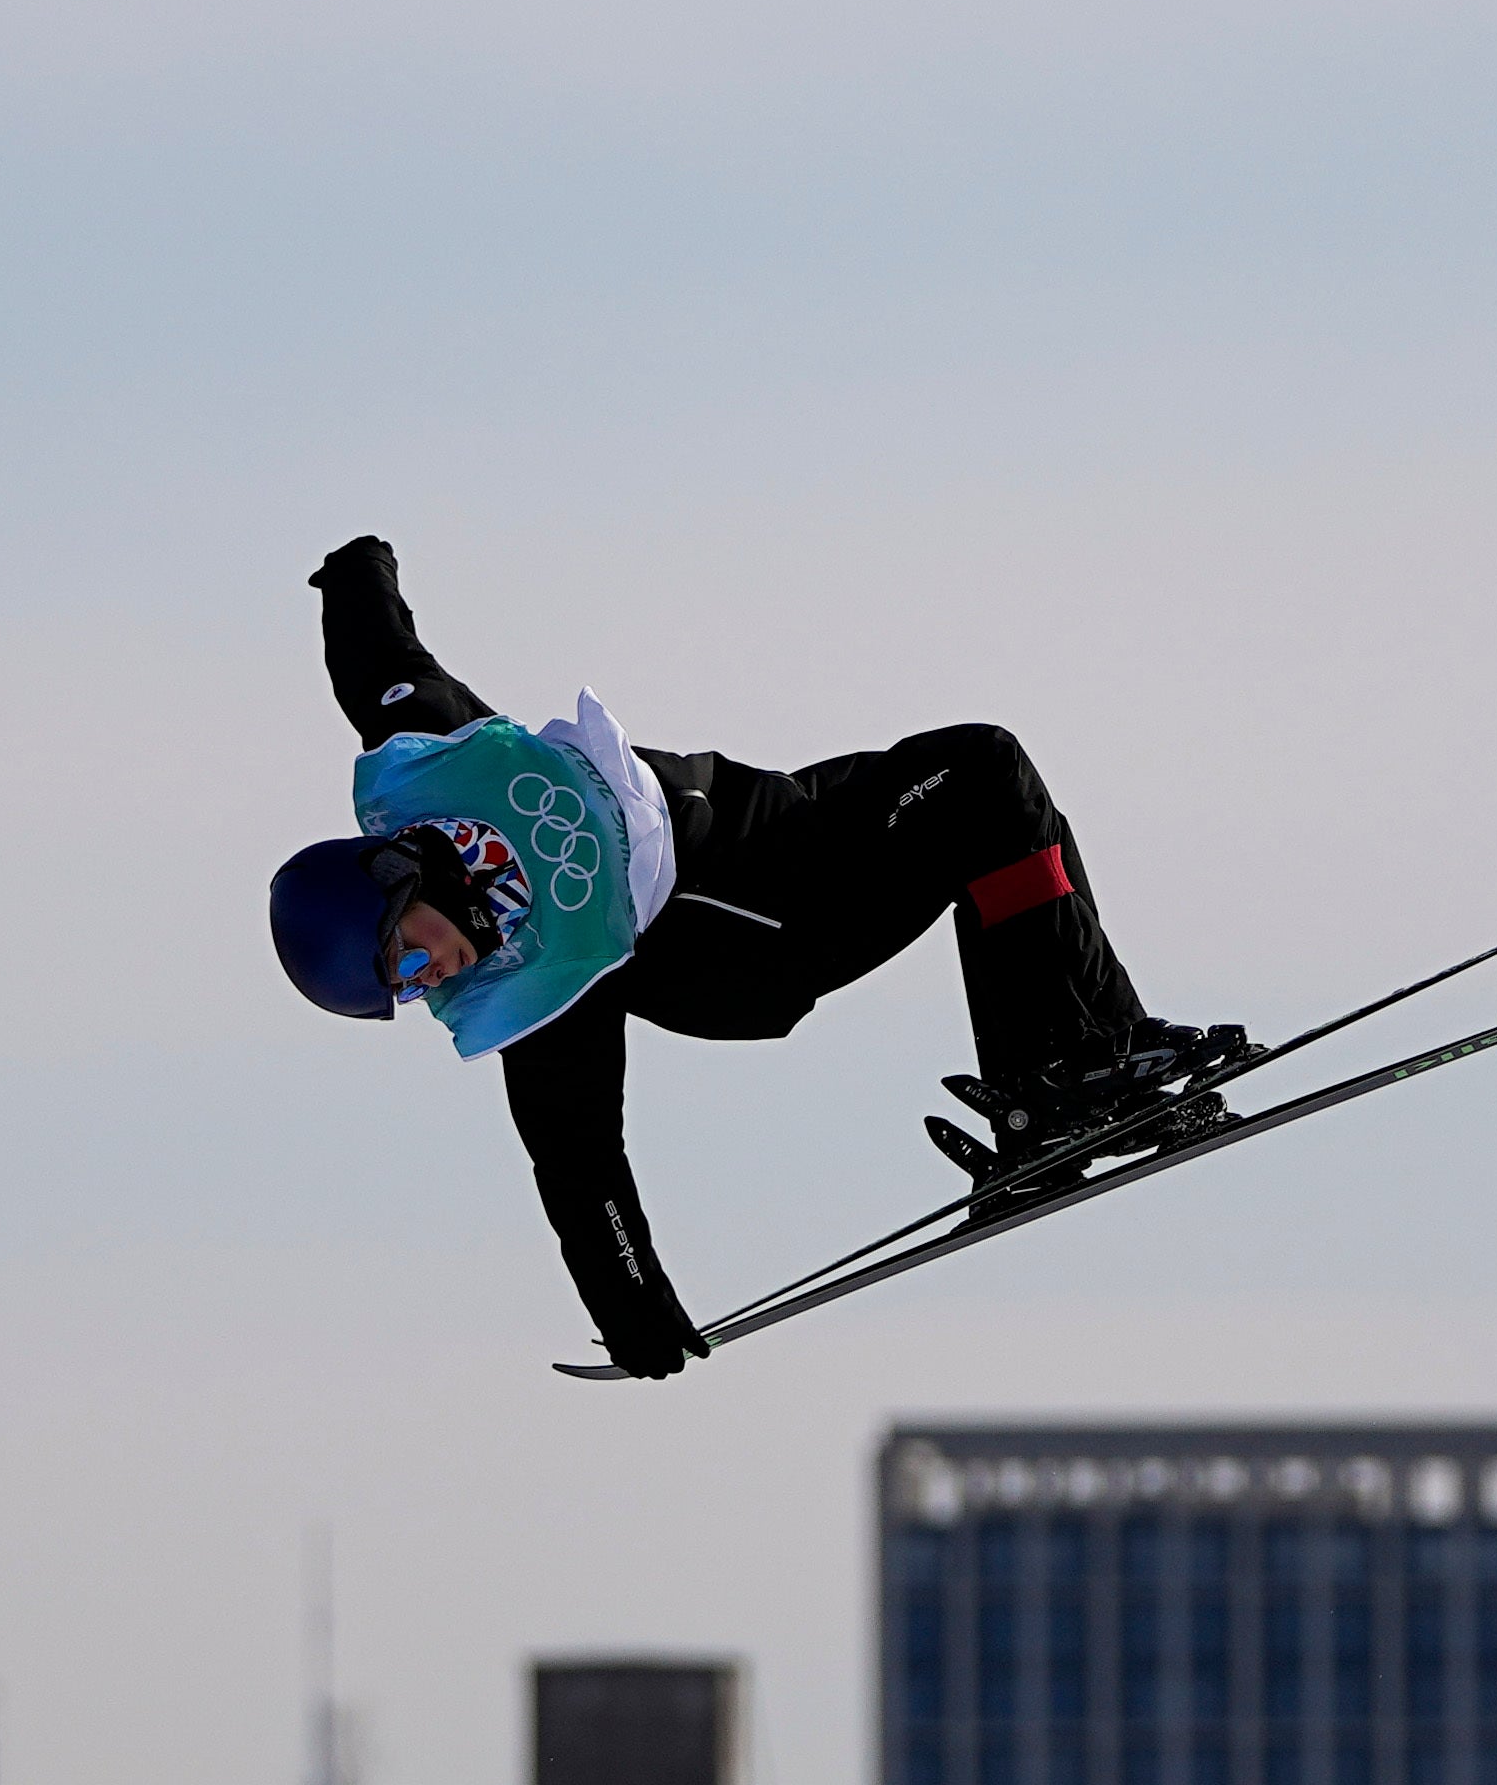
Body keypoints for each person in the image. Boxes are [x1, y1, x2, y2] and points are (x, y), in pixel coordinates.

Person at [270, 535, 1249, 1376]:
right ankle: (1060, 1078)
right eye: (401, 992)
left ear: (397, 881)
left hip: (784, 814)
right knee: (982, 779)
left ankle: (1082, 1072)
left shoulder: (433, 758)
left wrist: (354, 571)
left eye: (402, 960)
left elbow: (380, 659)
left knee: (1005, 812)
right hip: (779, 926)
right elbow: (575, 1158)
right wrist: (631, 1304)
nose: (425, 983)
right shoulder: (535, 988)